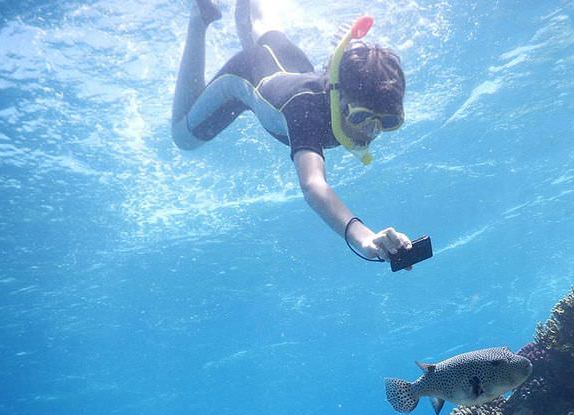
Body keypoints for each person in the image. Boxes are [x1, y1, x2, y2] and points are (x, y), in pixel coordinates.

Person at [172, 0, 413, 264]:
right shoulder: (304, 110)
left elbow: (345, 65)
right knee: (183, 137)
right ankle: (199, 19)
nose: (371, 131)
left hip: (289, 60)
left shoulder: (341, 83)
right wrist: (364, 237)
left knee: (261, 24)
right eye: (361, 117)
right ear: (337, 96)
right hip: (246, 73)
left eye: (386, 123)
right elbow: (313, 185)